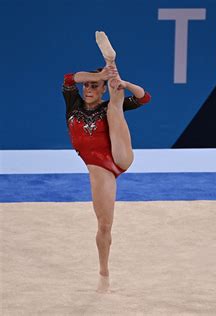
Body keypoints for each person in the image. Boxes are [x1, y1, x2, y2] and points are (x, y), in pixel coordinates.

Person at [62, 32, 151, 293]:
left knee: (116, 105)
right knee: (104, 224)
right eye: (87, 86)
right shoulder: (73, 103)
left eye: (94, 87)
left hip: (120, 154)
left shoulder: (107, 104)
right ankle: (104, 270)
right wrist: (99, 76)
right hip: (101, 168)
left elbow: (145, 97)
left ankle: (112, 64)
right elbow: (69, 78)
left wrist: (121, 82)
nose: (88, 90)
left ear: (101, 90)